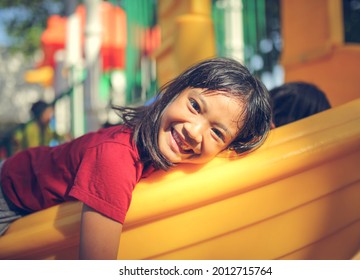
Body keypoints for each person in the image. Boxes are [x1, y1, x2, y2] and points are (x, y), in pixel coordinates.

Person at [0, 57, 272, 259]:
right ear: (174, 91)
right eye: (195, 106)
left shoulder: (160, 137)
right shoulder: (115, 159)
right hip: (9, 195)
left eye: (216, 133)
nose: (194, 131)